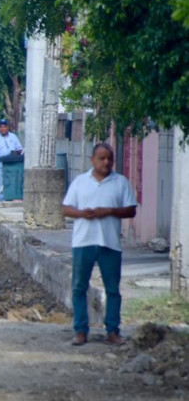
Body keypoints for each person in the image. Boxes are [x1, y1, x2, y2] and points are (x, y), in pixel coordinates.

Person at [62, 142, 137, 347]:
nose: (106, 162)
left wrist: (109, 211)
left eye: (109, 159)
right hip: (83, 241)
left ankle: (112, 330)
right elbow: (66, 208)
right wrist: (82, 214)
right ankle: (80, 331)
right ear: (92, 160)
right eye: (102, 158)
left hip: (110, 243)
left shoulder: (120, 182)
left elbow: (131, 210)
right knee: (79, 287)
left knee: (112, 289)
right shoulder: (80, 182)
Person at [0, 118, 23, 202]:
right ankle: (1, 200)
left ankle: (10, 198)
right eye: (1, 127)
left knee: (10, 182)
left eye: (4, 126)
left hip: (11, 163)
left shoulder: (13, 137)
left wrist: (17, 152)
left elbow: (20, 148)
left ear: (7, 127)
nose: (3, 128)